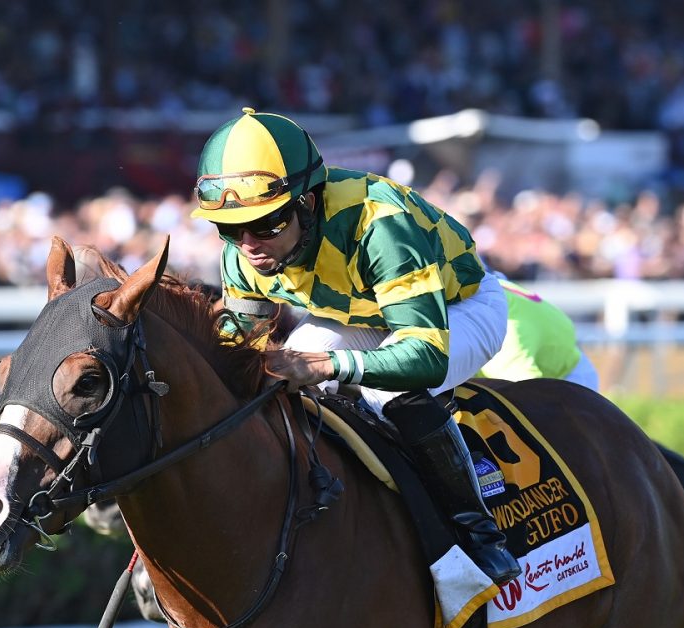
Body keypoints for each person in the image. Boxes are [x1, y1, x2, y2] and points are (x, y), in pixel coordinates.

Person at [190, 108, 520, 584]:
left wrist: (328, 364)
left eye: (266, 225)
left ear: (306, 203)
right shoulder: (242, 253)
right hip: (361, 315)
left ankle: (477, 533)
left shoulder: (381, 226)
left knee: (385, 392)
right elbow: (233, 352)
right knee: (280, 376)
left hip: (457, 311)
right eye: (230, 228)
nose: (249, 244)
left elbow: (424, 356)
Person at [479, 277, 600, 392]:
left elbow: (530, 396)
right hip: (568, 360)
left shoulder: (505, 338)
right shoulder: (484, 284)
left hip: (566, 380)